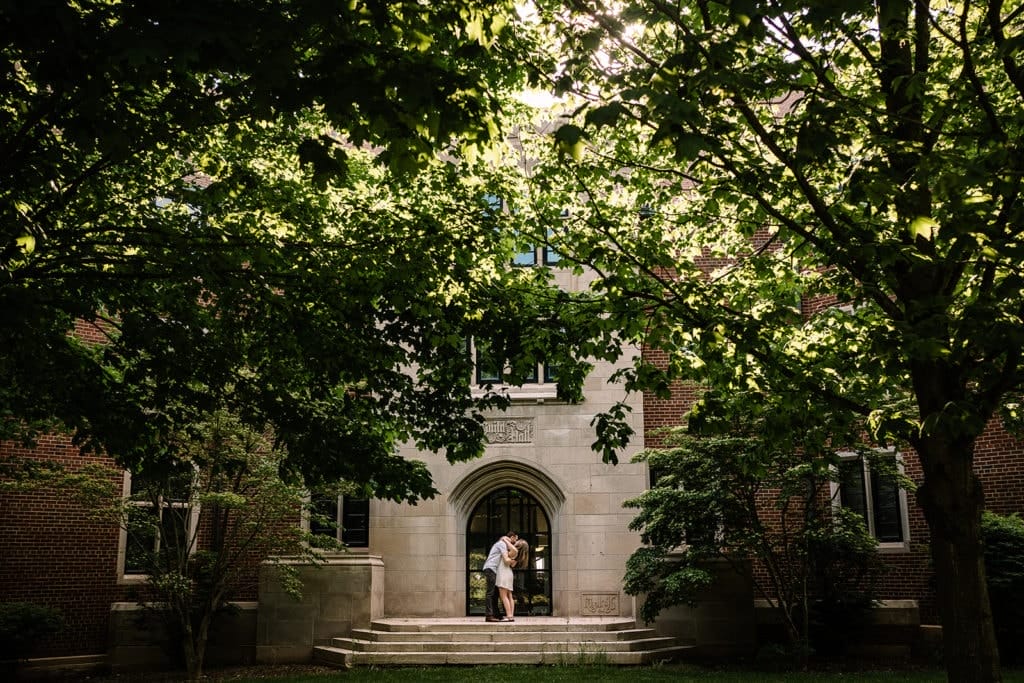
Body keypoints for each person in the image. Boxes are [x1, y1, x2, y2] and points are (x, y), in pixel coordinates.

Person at [482, 530, 517, 622]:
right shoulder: (502, 543)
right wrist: (513, 561)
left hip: (494, 569)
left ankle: (496, 614)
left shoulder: (503, 543)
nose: (515, 542)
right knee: (491, 593)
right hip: (491, 568)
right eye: (515, 540)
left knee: (495, 593)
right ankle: (489, 616)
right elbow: (505, 558)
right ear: (512, 537)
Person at [496, 545, 518, 621]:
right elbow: (513, 564)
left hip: (503, 573)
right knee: (509, 596)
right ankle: (511, 615)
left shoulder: (505, 552)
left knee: (504, 596)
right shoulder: (514, 555)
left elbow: (506, 561)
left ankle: (509, 615)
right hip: (509, 573)